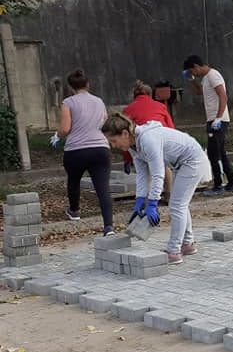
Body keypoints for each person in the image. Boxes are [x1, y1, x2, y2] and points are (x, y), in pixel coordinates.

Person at [101, 114, 210, 265]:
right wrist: (139, 201)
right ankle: (188, 244)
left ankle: (174, 251)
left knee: (177, 205)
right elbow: (142, 175)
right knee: (179, 204)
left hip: (192, 160)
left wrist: (152, 203)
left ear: (125, 134)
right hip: (180, 163)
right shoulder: (134, 147)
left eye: (114, 140)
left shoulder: (148, 140)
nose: (113, 146)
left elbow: (158, 174)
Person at [51, 68, 115, 236]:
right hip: (100, 148)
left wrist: (57, 136)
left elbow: (65, 128)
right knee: (103, 187)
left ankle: (74, 211)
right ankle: (108, 225)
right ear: (88, 84)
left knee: (74, 180)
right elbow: (105, 122)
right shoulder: (99, 101)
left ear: (70, 86)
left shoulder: (68, 103)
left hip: (76, 150)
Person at [182, 54, 233, 196]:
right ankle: (232, 183)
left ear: (196, 66)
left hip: (218, 120)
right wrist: (192, 81)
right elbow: (200, 92)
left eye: (192, 71)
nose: (193, 73)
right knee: (221, 152)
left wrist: (218, 118)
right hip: (213, 119)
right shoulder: (206, 78)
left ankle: (218, 186)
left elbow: (223, 96)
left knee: (213, 153)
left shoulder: (213, 75)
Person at [122, 81, 176, 202]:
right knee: (164, 165)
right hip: (162, 139)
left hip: (143, 143)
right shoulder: (160, 106)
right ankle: (169, 194)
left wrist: (127, 158)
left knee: (146, 169)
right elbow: (171, 127)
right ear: (150, 94)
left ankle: (147, 198)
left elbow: (125, 136)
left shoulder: (128, 109)